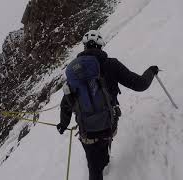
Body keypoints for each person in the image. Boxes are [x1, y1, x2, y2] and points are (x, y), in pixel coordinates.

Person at [56, 30, 159, 180]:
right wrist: (151, 71)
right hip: (109, 126)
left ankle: (99, 166)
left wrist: (63, 124)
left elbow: (66, 103)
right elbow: (140, 84)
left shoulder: (75, 72)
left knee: (94, 167)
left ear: (84, 47)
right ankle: (104, 159)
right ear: (100, 46)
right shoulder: (112, 64)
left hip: (86, 131)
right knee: (104, 144)